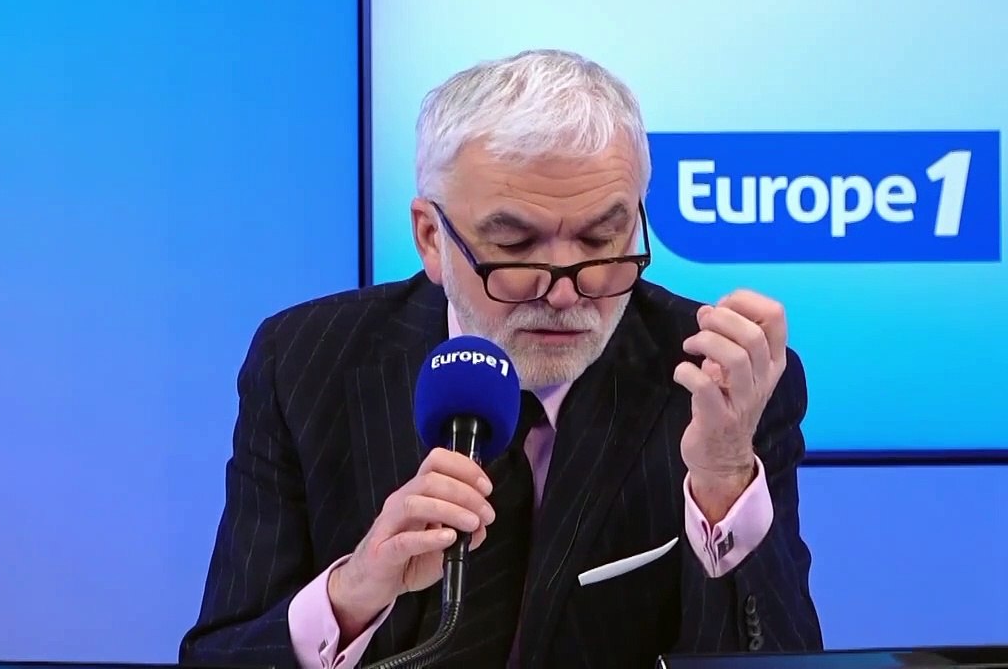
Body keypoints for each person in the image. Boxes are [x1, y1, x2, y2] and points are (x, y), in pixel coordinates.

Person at [179, 49, 822, 668]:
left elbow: (781, 658)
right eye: (515, 247)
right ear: (431, 238)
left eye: (602, 239)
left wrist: (724, 481)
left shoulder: (716, 384)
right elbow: (219, 656)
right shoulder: (305, 365)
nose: (564, 291)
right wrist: (352, 594)